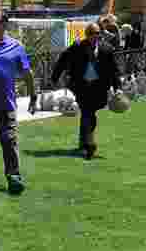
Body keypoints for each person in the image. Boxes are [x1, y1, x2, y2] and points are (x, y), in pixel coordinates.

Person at [0, 10, 37, 194]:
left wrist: (33, 97)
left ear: (3, 25)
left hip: (6, 105)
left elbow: (27, 74)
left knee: (9, 141)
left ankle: (14, 178)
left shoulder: (16, 47)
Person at [50, 22, 120, 160]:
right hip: (81, 86)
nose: (95, 37)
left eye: (97, 34)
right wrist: (54, 78)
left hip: (99, 87)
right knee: (87, 112)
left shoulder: (107, 49)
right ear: (87, 35)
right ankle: (89, 144)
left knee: (90, 114)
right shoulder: (77, 47)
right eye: (92, 35)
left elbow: (114, 70)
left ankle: (84, 141)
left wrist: (117, 88)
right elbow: (63, 60)